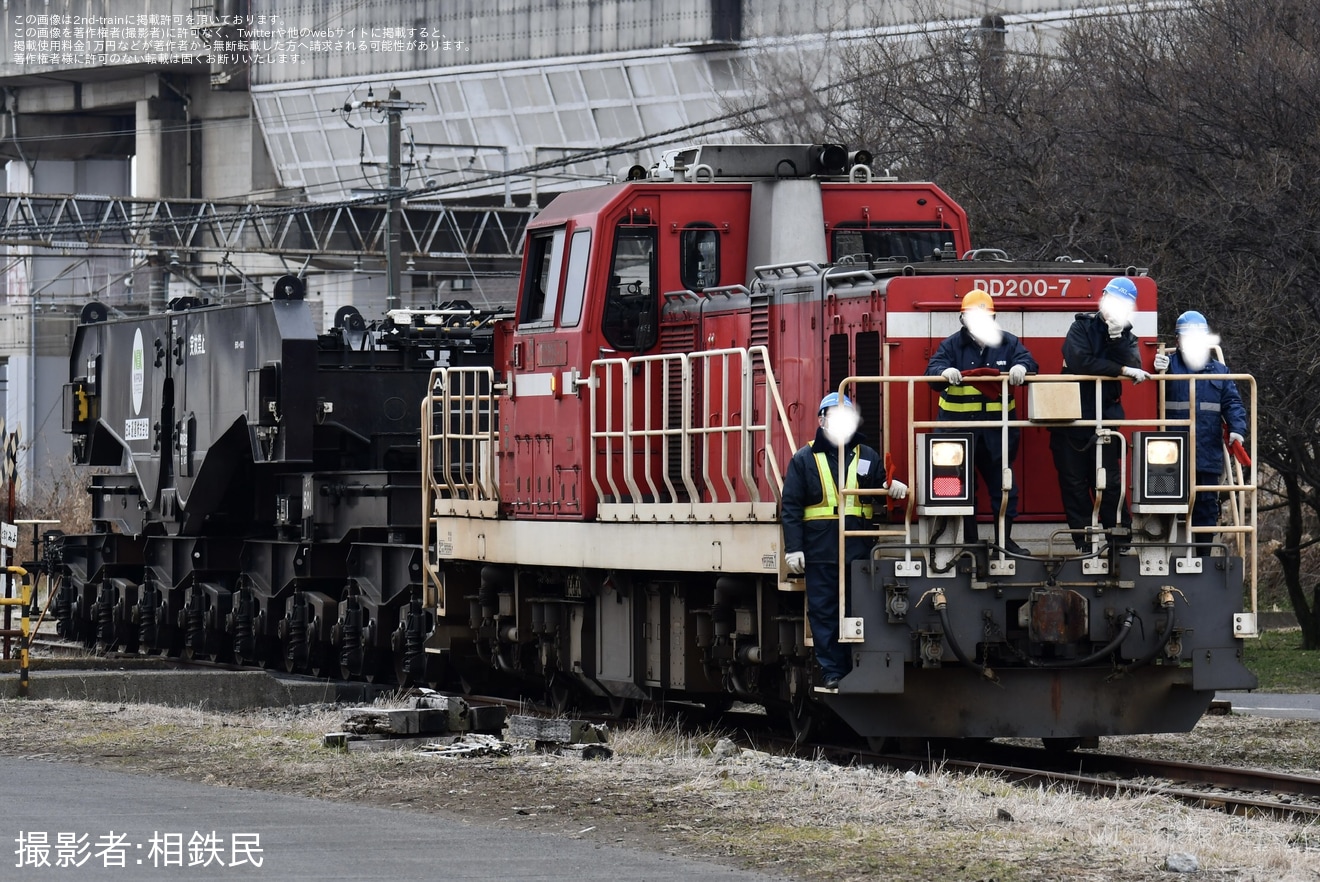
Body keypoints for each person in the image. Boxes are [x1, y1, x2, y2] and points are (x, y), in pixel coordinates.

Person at [781, 393, 908, 689]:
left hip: (858, 551)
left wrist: (892, 486)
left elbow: (880, 482)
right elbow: (791, 507)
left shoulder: (867, 455)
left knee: (859, 608)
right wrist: (794, 549)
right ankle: (833, 673)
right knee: (824, 612)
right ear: (821, 420)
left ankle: (858, 669)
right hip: (820, 551)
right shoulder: (803, 458)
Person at [925, 289, 1038, 554]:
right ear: (962, 319)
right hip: (956, 433)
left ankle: (1004, 541)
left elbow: (1029, 361)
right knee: (961, 490)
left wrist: (1023, 368)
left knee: (1004, 486)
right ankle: (970, 543)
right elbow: (931, 372)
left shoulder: (1008, 343)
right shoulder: (950, 346)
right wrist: (943, 372)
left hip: (997, 431)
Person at [1049, 276, 1150, 550]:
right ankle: (1083, 542)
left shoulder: (1125, 334)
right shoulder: (1081, 326)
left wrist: (1118, 339)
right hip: (1069, 418)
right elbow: (1081, 361)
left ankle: (1119, 539)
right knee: (1073, 483)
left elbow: (1134, 362)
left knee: (1109, 483)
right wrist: (1120, 370)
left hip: (1104, 418)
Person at [1153, 310, 1248, 548]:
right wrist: (1153, 371)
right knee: (1165, 506)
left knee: (1206, 506)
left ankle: (1203, 558)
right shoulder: (1166, 367)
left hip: (1206, 452)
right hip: (1168, 454)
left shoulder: (1220, 371)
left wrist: (1238, 428)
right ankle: (1163, 554)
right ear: (1178, 340)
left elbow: (1232, 402)